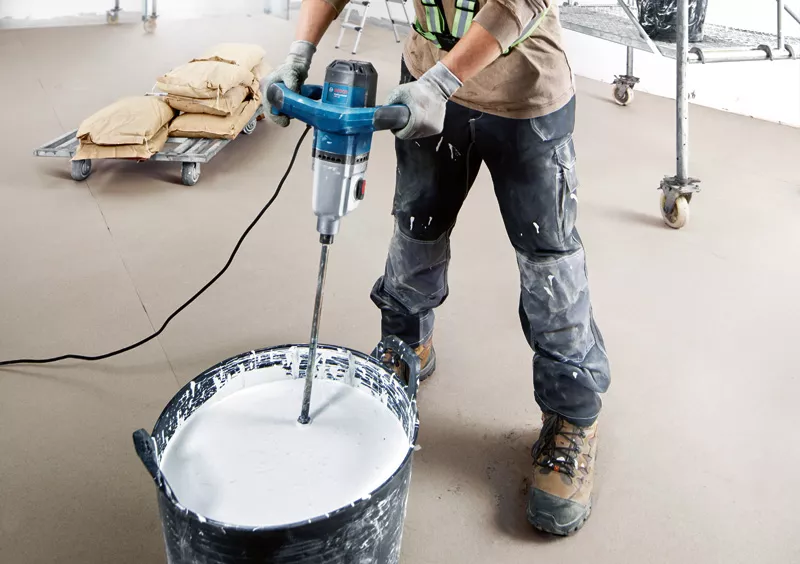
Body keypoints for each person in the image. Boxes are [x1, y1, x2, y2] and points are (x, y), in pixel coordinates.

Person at [265, 0, 610, 536]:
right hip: (426, 87)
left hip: (524, 100)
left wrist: (442, 81)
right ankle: (406, 348)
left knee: (548, 263)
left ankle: (572, 414)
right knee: (416, 229)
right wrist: (298, 53)